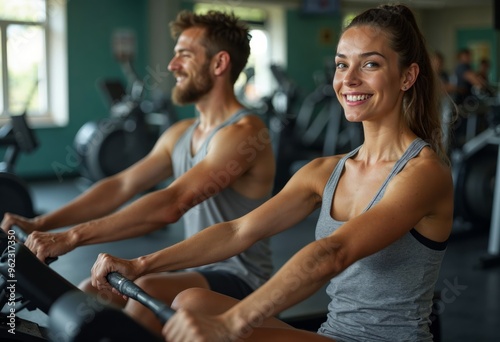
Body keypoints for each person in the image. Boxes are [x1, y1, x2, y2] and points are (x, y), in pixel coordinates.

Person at [91, 4, 454, 341]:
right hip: (332, 333)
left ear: (407, 76)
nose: (350, 79)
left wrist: (232, 323)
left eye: (370, 64)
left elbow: (334, 252)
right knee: (191, 301)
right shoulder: (324, 171)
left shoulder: (424, 173)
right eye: (342, 65)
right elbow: (239, 230)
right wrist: (140, 264)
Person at [1, 9, 276, 332]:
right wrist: (40, 224)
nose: (172, 66)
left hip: (242, 278)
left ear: (219, 64)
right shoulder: (181, 132)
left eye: (184, 56)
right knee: (91, 292)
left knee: (147, 290)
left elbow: (173, 202)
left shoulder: (244, 131)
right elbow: (121, 185)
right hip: (191, 266)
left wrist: (72, 236)